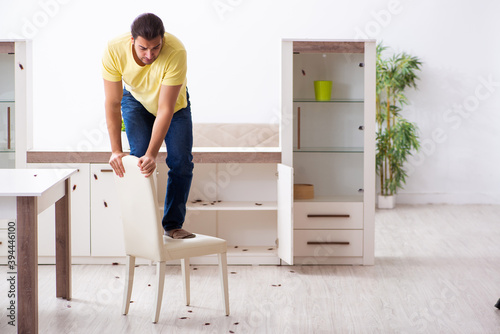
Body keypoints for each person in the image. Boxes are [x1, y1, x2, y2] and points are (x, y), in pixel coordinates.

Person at [102, 13, 195, 239]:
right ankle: (142, 226)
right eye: (143, 48)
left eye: (155, 48)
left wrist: (153, 154)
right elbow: (113, 103)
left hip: (175, 106)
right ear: (132, 41)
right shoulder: (114, 50)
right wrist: (115, 150)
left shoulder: (176, 52)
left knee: (181, 162)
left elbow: (165, 109)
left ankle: (172, 225)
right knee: (138, 160)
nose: (149, 55)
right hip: (135, 100)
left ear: (163, 40)